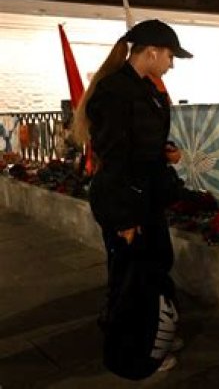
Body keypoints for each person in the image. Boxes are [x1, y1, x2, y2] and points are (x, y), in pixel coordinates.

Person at [72, 19, 192, 378]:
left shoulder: (141, 88)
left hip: (144, 200)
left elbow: (140, 143)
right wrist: (124, 218)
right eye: (170, 56)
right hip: (126, 204)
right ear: (151, 52)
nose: (171, 64)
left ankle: (154, 335)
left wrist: (165, 152)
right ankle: (132, 355)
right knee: (131, 283)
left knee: (151, 272)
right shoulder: (115, 92)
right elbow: (114, 159)